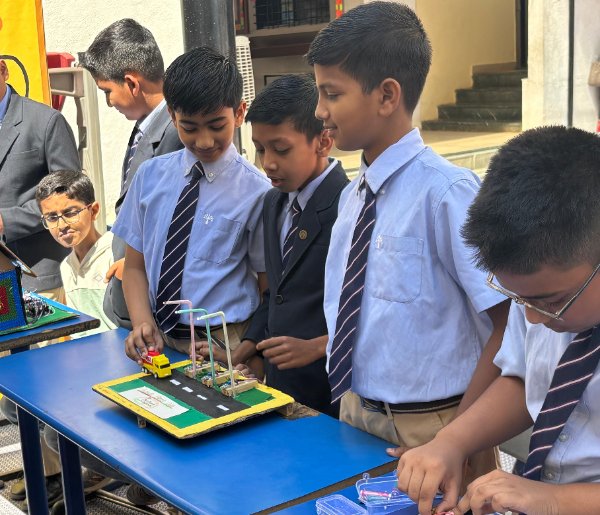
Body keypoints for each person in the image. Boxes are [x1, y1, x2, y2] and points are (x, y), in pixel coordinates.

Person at [306, 0, 509, 482]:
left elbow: (508, 323)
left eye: (332, 93)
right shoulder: (353, 197)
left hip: (437, 425)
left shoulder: (447, 195)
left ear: (386, 95)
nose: (320, 111)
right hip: (356, 414)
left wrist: (455, 439)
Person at [397, 126, 600, 515]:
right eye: (520, 300)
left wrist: (555, 500)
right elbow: (525, 379)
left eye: (552, 301)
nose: (532, 318)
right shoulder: (539, 289)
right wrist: (452, 441)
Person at [196, 74, 349, 417]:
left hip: (332, 393)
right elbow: (275, 295)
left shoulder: (348, 206)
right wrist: (242, 351)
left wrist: (319, 347)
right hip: (281, 390)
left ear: (323, 142)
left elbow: (367, 309)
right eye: (260, 148)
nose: (268, 163)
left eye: (281, 149)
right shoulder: (273, 203)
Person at [0, 55, 80, 505]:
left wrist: (5, 220)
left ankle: (62, 476)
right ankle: (41, 470)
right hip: (1, 279)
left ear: (3, 71)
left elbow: (69, 192)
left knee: (47, 386)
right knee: (11, 389)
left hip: (39, 273)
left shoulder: (45, 122)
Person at [78, 18, 183, 329]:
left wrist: (139, 265)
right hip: (134, 296)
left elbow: (175, 219)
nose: (109, 102)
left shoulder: (177, 133)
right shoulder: (146, 126)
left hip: (157, 303)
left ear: (132, 83)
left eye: (107, 91)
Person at [36, 170, 116, 336]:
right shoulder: (67, 266)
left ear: (93, 211)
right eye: (52, 217)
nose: (62, 225)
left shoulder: (114, 254)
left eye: (70, 213)